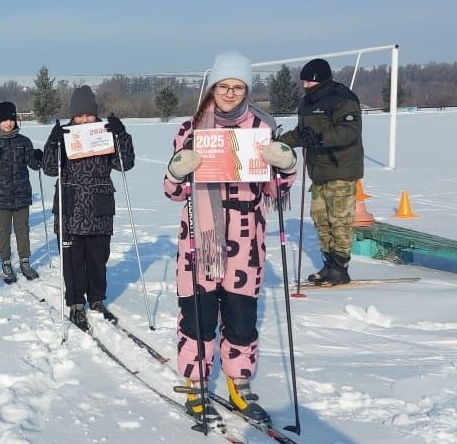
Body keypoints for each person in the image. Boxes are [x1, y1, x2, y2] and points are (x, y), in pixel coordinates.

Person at [162, 53, 297, 423]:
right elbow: (173, 192)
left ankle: (239, 382)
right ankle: (196, 381)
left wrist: (286, 165)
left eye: (238, 87)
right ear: (213, 88)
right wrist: (176, 172)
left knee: (240, 317)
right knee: (198, 315)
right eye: (225, 86)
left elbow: (275, 187)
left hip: (245, 242)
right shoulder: (192, 130)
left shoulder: (261, 128)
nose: (231, 93)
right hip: (199, 242)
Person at [42, 85, 135, 330]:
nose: (84, 120)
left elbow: (125, 164)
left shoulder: (105, 132)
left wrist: (122, 135)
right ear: (73, 115)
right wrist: (53, 142)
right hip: (70, 207)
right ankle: (75, 303)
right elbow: (50, 169)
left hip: (99, 207)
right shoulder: (64, 135)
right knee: (72, 260)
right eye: (79, 115)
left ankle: (96, 299)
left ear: (95, 114)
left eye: (88, 115)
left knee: (97, 258)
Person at [276, 58, 364, 286]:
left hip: (340, 169)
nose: (305, 86)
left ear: (321, 80)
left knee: (340, 221)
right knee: (321, 219)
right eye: (303, 82)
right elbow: (301, 133)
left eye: (309, 81)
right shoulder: (306, 102)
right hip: (318, 171)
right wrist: (277, 143)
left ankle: (340, 268)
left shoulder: (343, 98)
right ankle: (329, 265)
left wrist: (319, 139)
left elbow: (349, 132)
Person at [0, 102, 42, 283]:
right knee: (3, 231)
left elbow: (34, 165)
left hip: (21, 193)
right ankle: (5, 262)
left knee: (23, 230)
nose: (8, 124)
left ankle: (24, 260)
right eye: (4, 120)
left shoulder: (24, 142)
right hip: (0, 195)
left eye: (11, 120)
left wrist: (39, 157)